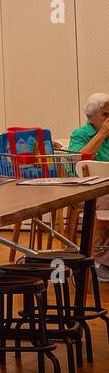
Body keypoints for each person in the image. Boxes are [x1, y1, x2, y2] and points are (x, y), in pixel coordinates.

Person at [68, 92, 109, 280]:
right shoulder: (80, 134)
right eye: (106, 115)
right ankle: (99, 259)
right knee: (105, 201)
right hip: (86, 190)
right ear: (91, 118)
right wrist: (101, 135)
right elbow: (79, 160)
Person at [70, 93, 109, 161]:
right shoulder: (79, 134)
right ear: (90, 117)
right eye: (105, 114)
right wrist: (101, 134)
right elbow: (77, 161)